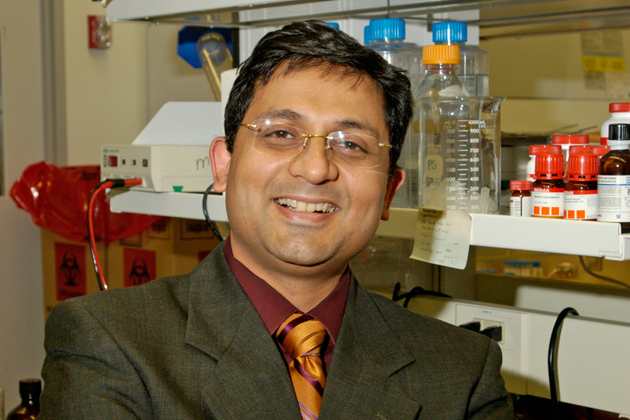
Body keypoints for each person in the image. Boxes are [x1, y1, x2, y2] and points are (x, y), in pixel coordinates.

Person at [39, 21, 512, 419]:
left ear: (388, 190)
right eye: (281, 134)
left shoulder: (462, 372)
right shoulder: (109, 343)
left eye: (351, 144)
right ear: (223, 164)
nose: (315, 167)